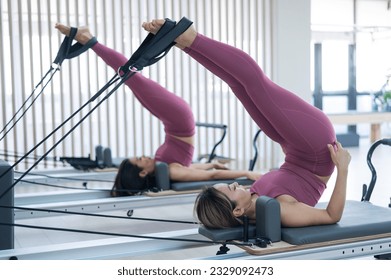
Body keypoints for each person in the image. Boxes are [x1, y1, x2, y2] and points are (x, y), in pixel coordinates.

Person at [142, 18, 351, 228]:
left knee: (237, 84)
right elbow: (331, 216)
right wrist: (343, 168)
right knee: (256, 83)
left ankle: (183, 45)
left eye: (230, 185)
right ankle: (191, 39)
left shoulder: (252, 198)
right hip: (315, 148)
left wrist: (287, 134)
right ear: (238, 210)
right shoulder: (280, 210)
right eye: (232, 189)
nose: (235, 184)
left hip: (293, 147)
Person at [55, 23, 261, 197]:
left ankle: (92, 40)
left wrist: (212, 165)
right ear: (143, 173)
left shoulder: (166, 167)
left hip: (171, 121)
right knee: (132, 78)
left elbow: (201, 169)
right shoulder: (172, 171)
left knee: (131, 80)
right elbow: (211, 177)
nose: (142, 156)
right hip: (178, 118)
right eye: (139, 160)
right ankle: (90, 40)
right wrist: (247, 173)